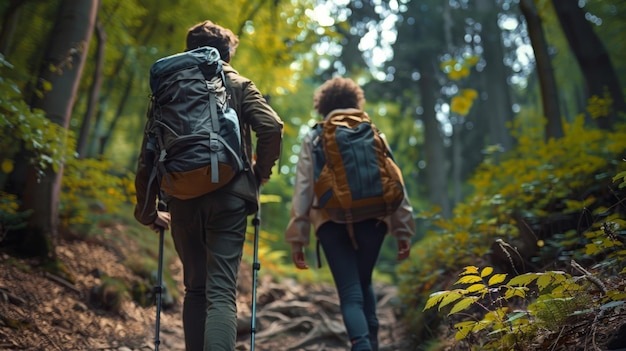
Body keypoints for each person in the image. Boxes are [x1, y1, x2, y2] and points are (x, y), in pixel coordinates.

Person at [134, 20, 284, 351]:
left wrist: (147, 212)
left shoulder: (167, 89)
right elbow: (271, 126)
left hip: (181, 197)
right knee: (220, 293)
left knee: (196, 290)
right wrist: (260, 171)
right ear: (228, 52)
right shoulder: (238, 82)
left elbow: (148, 154)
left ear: (189, 48)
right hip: (231, 196)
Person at [285, 76, 415, 351]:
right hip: (375, 218)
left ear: (323, 106)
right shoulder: (374, 131)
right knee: (363, 280)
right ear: (356, 101)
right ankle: (372, 344)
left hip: (330, 221)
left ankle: (361, 345)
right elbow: (396, 180)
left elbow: (304, 189)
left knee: (350, 291)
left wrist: (298, 237)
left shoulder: (316, 135)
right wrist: (403, 230)